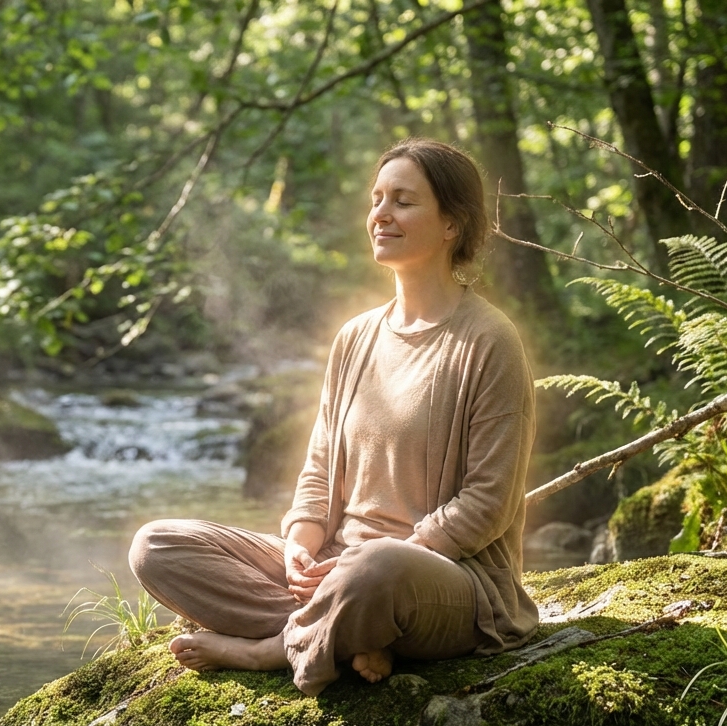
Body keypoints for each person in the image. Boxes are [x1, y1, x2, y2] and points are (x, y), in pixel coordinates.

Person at [128, 138, 539, 696]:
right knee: (156, 546)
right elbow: (319, 468)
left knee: (375, 572)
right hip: (340, 567)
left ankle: (272, 650)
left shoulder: (490, 341)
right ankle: (350, 635)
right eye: (377, 199)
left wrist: (374, 562)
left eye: (403, 201)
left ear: (452, 225)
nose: (381, 215)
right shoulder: (356, 338)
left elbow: (488, 503)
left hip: (442, 580)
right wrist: (301, 543)